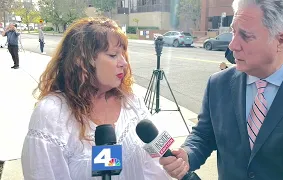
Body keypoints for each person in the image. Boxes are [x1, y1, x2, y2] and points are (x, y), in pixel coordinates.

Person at [159, 0, 283, 179]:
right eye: (233, 32)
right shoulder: (218, 84)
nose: (232, 45)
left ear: (282, 40)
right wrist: (187, 155)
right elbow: (204, 134)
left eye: (246, 35)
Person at [21, 17, 171, 180]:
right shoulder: (52, 115)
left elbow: (155, 161)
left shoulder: (132, 101)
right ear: (82, 61)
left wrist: (173, 162)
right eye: (113, 55)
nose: (124, 63)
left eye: (123, 54)